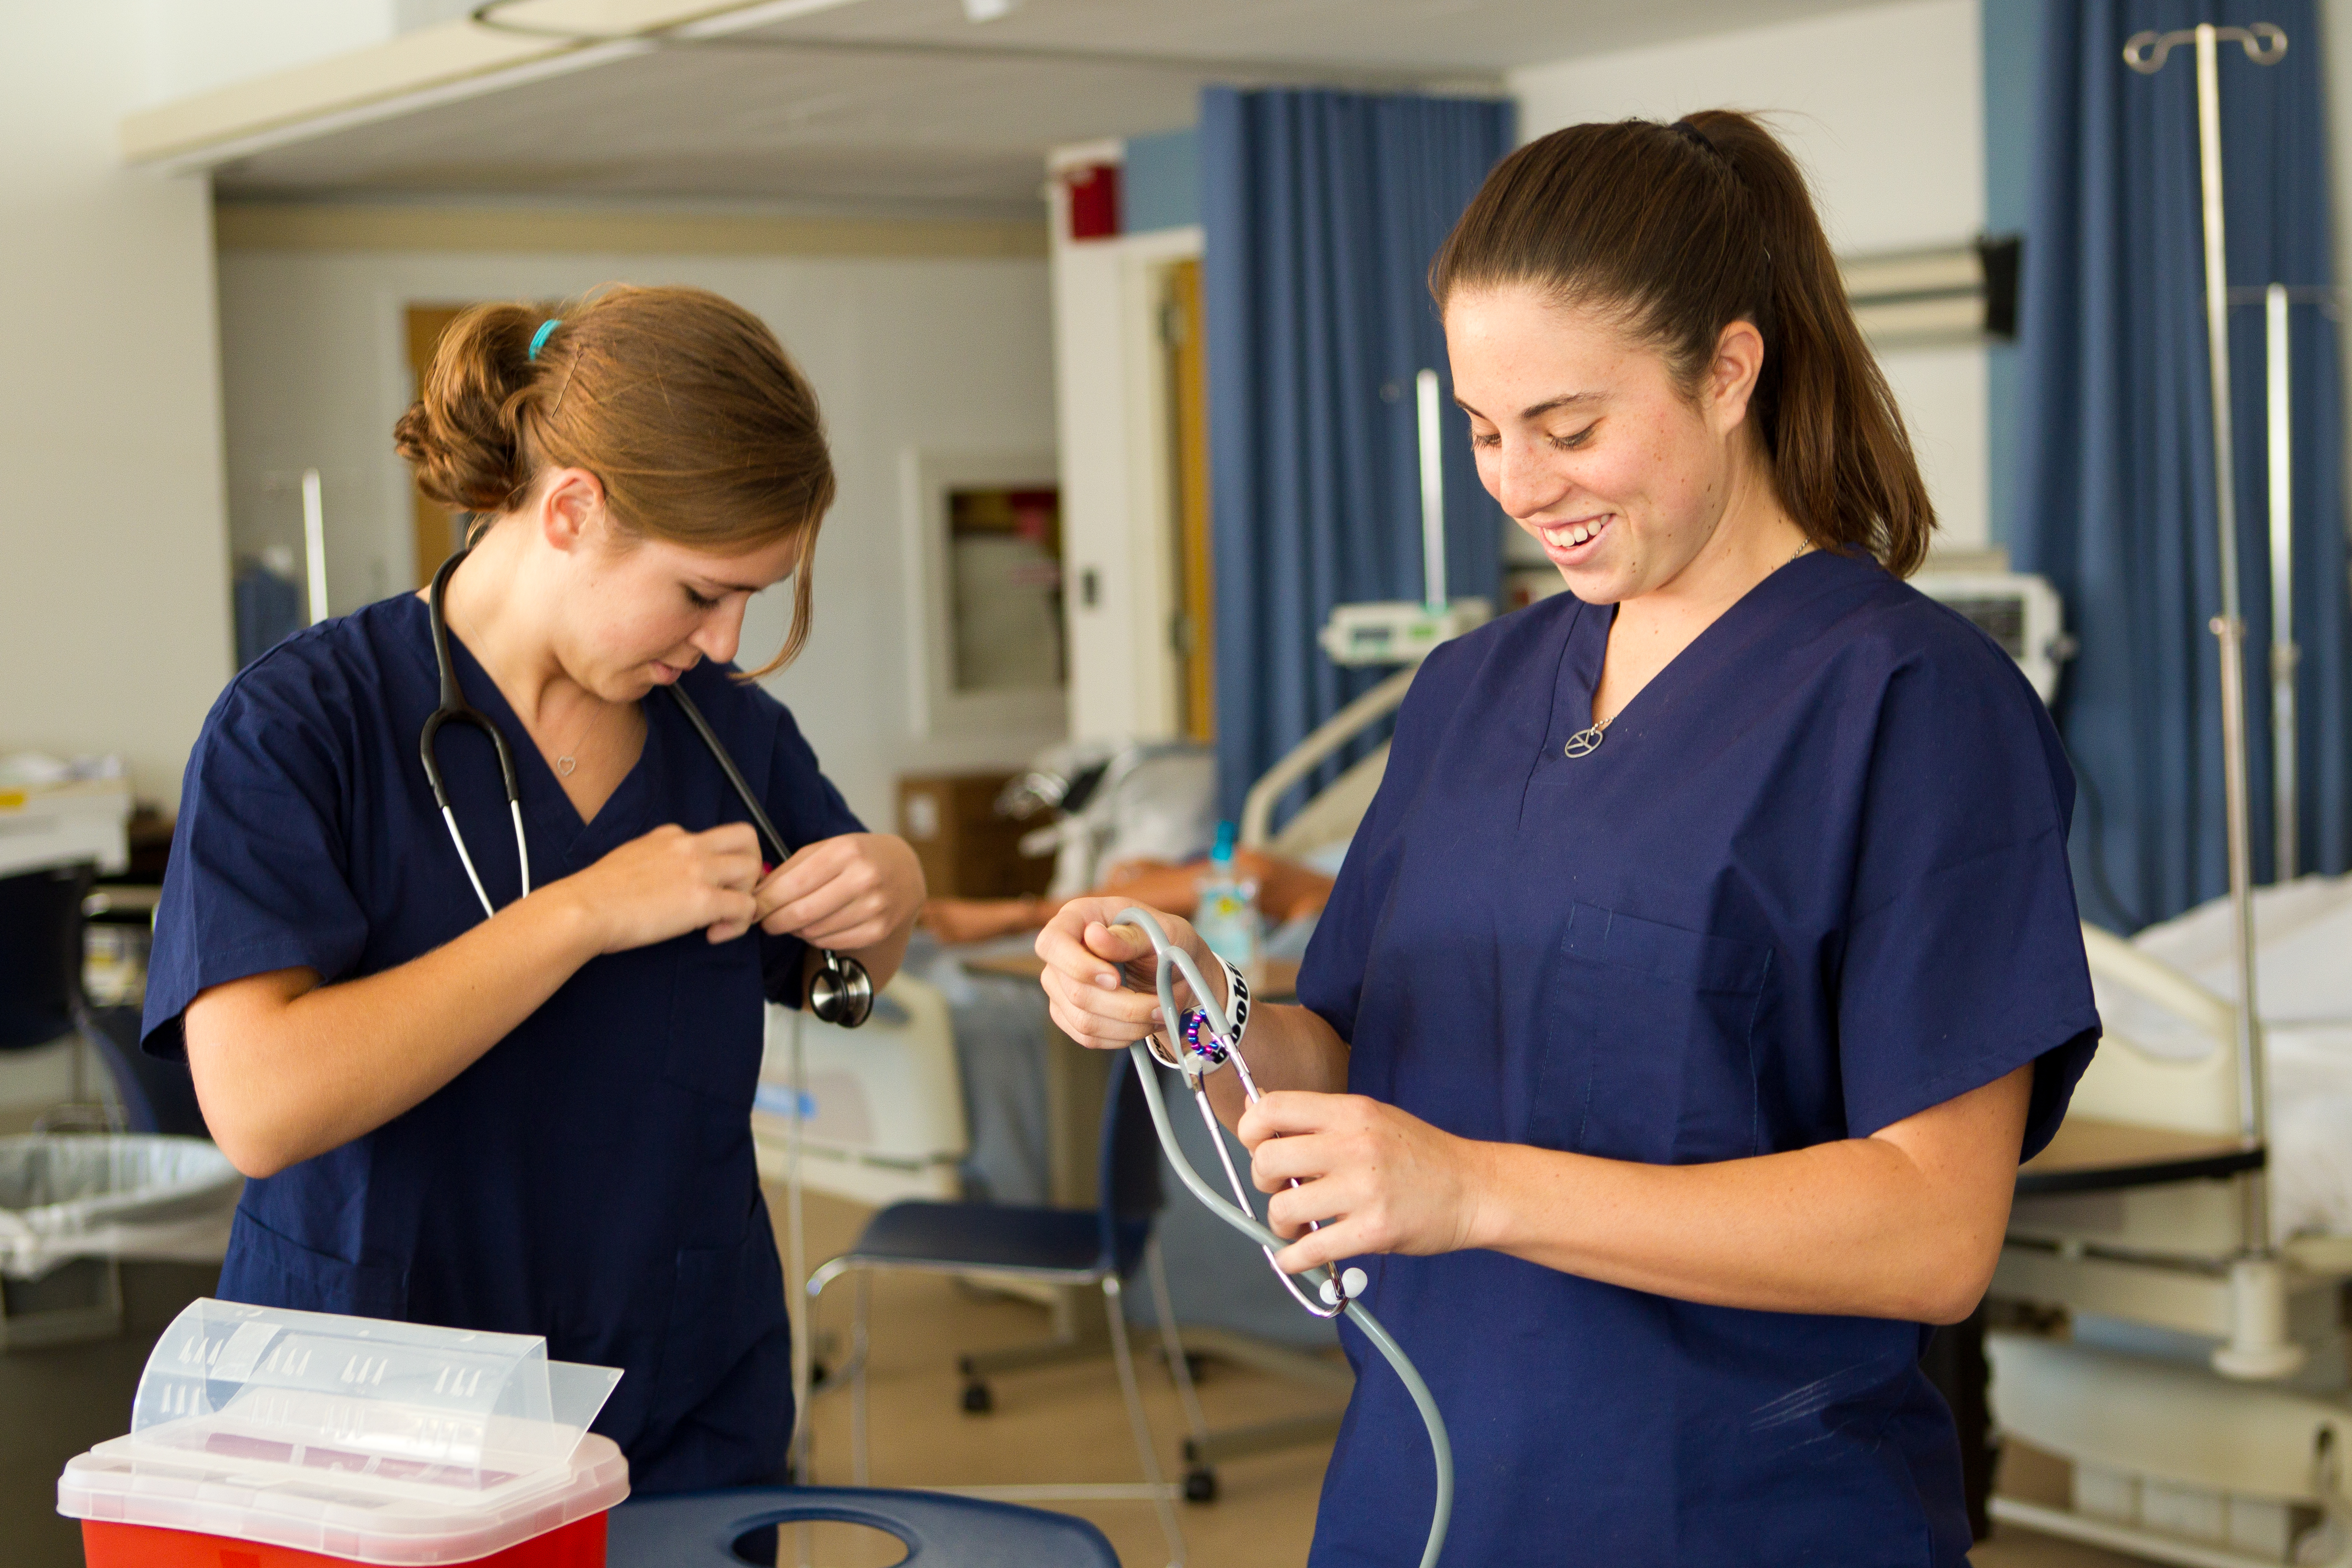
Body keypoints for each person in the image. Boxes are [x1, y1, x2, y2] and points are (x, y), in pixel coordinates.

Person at [1036, 111, 2098, 1566]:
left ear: (1731, 369)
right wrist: (1198, 1017)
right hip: (1426, 1484)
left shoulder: (1909, 704)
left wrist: (1472, 1187)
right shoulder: (1476, 689)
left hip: (1734, 1514)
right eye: (1484, 430)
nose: (1521, 486)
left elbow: (1932, 1228)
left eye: (1571, 426)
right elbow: (1353, 1058)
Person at [143, 286, 925, 1493]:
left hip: (672, 1396)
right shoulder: (302, 726)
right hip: (375, 1402)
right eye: (702, 592)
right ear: (571, 510)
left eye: (752, 599)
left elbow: (836, 978)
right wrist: (582, 912)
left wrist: (892, 895)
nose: (723, 643)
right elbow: (260, 1103)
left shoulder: (725, 736)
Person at [920, 846, 1335, 945]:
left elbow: (1254, 873)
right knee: (1135, 873)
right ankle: (1040, 913)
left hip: (1318, 897)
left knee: (1248, 869)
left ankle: (1033, 913)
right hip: (1275, 905)